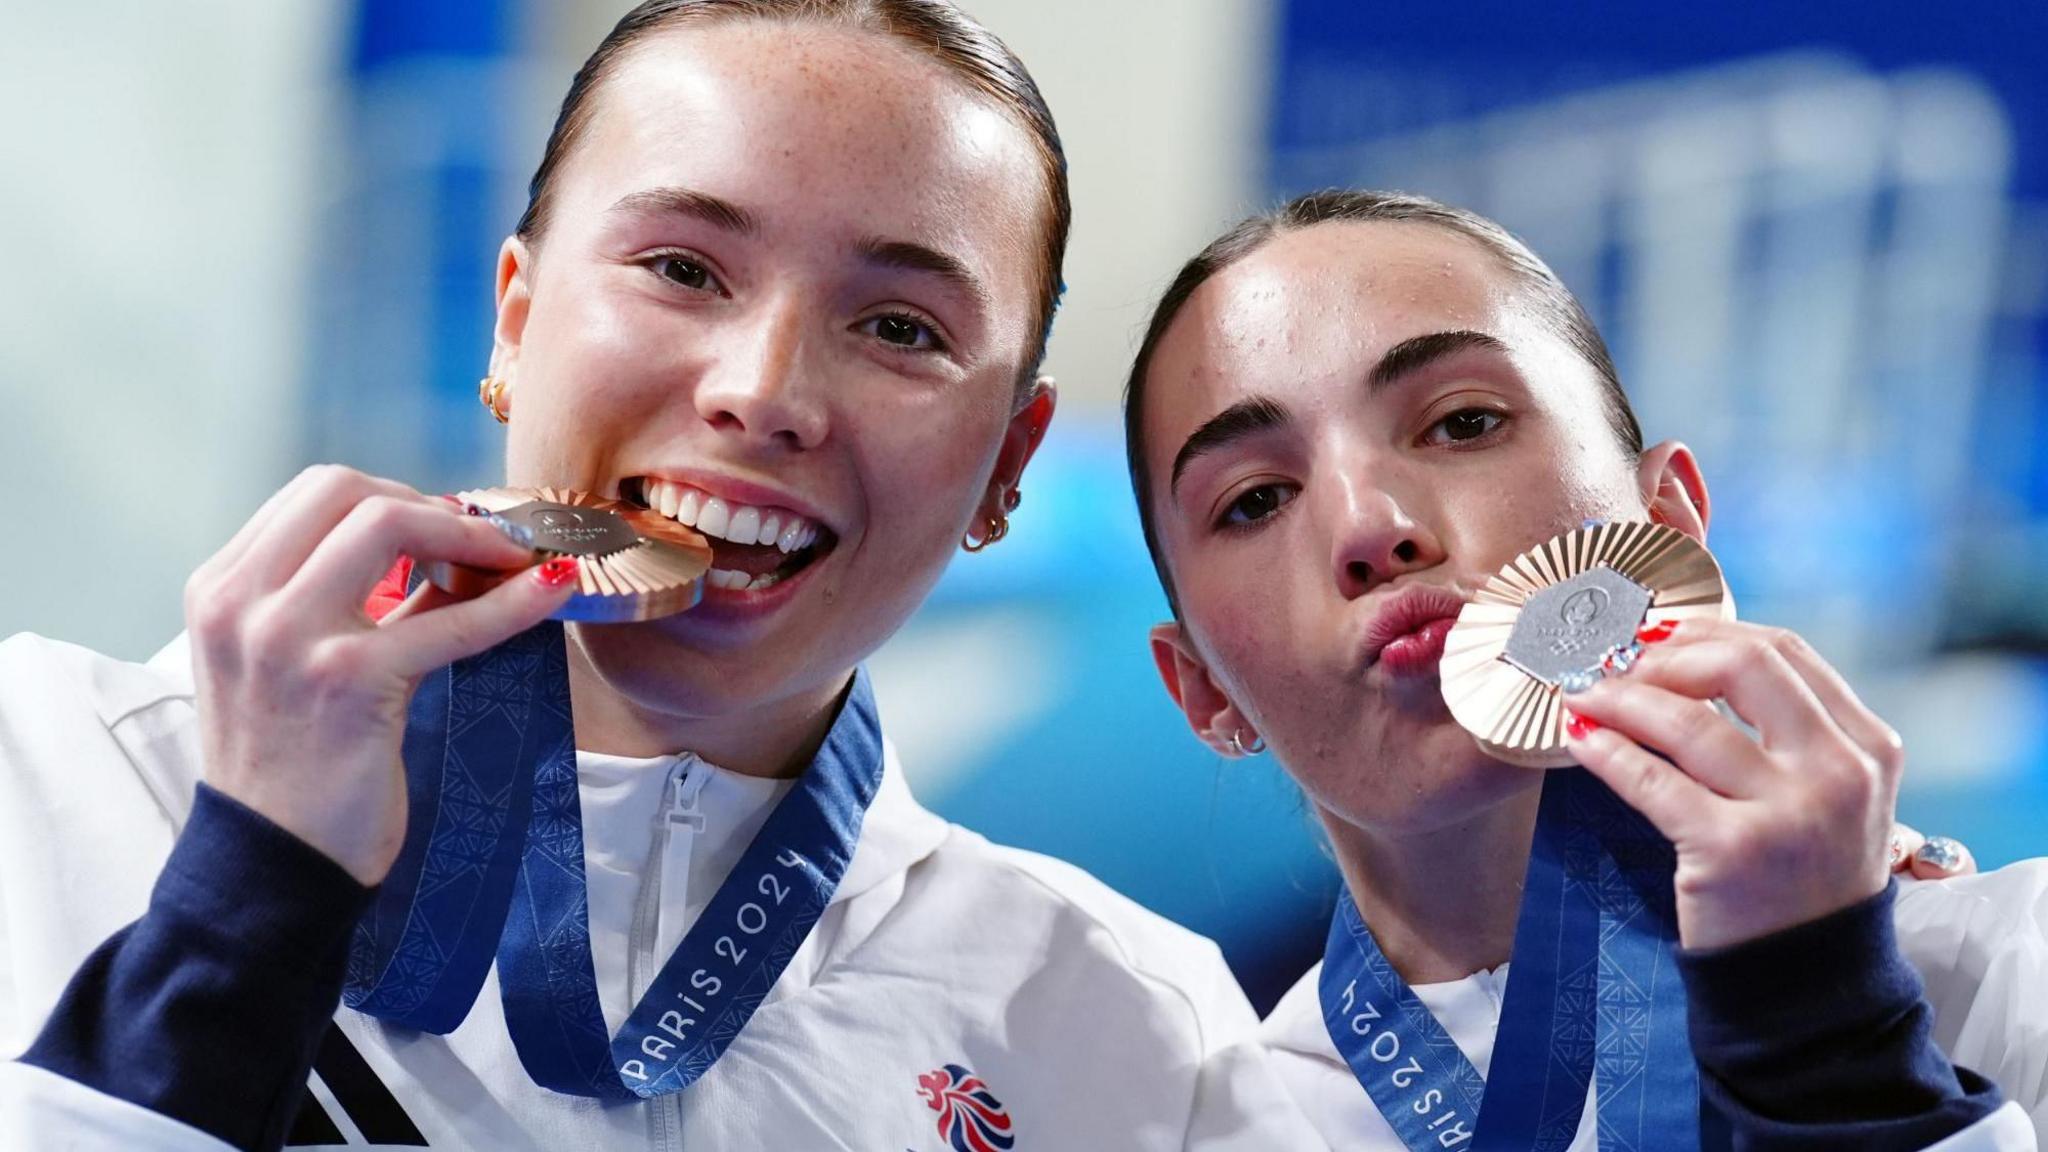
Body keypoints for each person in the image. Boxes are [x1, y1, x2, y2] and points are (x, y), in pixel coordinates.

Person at [0, 4, 1321, 1149]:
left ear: (1006, 466)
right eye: (681, 269)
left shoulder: (1139, 1035)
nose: (762, 392)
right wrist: (246, 897)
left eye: (902, 328)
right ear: (515, 319)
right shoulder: (52, 777)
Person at [1122, 189, 2046, 1150]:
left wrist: (1837, 1050)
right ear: (1204, 688)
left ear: (1668, 519)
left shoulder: (2007, 971)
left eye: (1463, 423)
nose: (1372, 527)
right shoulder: (1218, 1130)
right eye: (1257, 498)